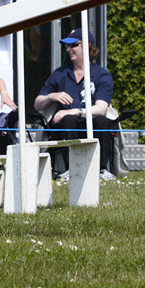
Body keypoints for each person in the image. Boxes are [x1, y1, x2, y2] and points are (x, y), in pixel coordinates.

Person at [34, 29, 117, 180]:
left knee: (102, 121)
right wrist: (52, 96)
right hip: (66, 124)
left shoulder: (102, 75)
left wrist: (72, 111)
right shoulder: (60, 73)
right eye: (67, 46)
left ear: (87, 46)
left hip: (90, 120)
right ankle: (69, 170)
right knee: (67, 121)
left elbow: (101, 108)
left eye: (73, 45)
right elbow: (37, 104)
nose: (68, 49)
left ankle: (101, 170)